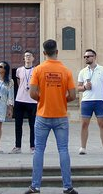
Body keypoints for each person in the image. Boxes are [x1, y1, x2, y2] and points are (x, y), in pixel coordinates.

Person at [25, 39, 78, 194]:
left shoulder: (38, 70)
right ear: (57, 52)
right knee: (63, 150)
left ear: (43, 53)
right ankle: (67, 186)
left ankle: (35, 186)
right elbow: (73, 95)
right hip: (61, 115)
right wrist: (62, 99)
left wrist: (42, 99)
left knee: (39, 150)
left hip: (42, 115)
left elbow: (32, 92)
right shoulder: (66, 70)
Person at [77, 48, 103, 155]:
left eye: (88, 56)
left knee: (102, 124)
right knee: (84, 124)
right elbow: (78, 87)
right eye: (85, 57)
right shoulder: (82, 71)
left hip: (99, 100)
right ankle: (83, 147)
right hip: (86, 101)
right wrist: (84, 87)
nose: (86, 58)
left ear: (94, 57)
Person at [11, 50, 37, 153]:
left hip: (32, 100)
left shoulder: (36, 70)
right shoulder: (19, 70)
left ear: (33, 58)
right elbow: (18, 82)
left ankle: (32, 146)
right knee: (18, 124)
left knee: (33, 124)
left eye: (30, 56)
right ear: (23, 58)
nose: (28, 57)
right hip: (20, 99)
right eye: (26, 56)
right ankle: (18, 146)